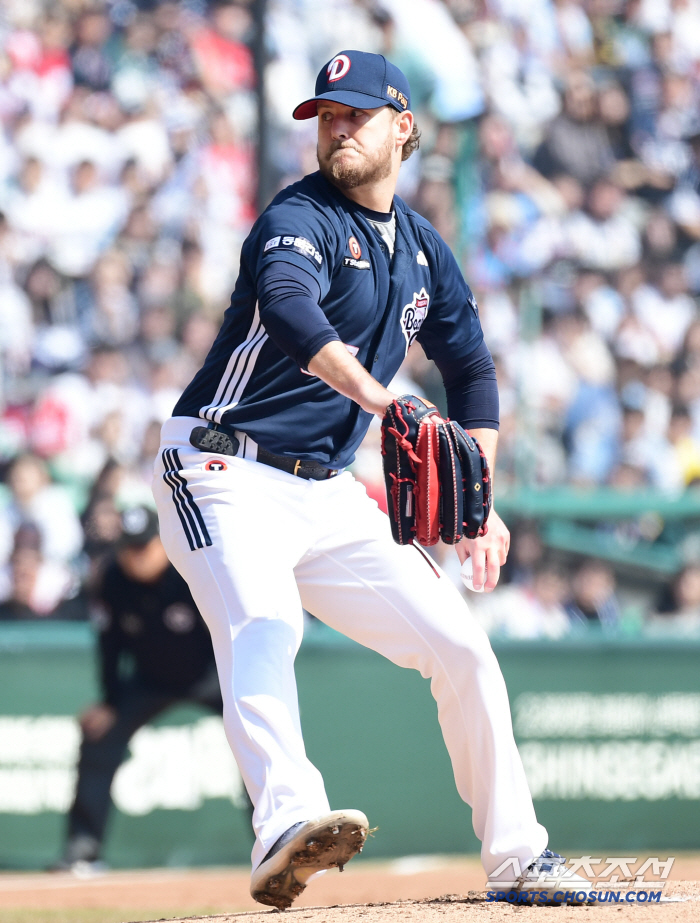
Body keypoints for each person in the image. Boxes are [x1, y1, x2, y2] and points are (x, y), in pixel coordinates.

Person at [151, 50, 592, 908]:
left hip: (322, 491)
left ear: (404, 126)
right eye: (325, 114)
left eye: (355, 112)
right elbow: (288, 311)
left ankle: (520, 858)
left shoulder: (423, 248)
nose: (338, 127)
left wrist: (479, 498)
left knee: (463, 649)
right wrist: (386, 401)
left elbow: (471, 369)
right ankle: (287, 821)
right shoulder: (296, 219)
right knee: (266, 620)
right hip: (220, 470)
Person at [54, 506, 247, 871]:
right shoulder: (113, 578)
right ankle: (83, 848)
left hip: (211, 675)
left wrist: (241, 689)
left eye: (145, 547)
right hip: (148, 681)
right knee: (99, 735)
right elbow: (109, 644)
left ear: (163, 542)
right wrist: (109, 701)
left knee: (256, 733)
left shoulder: (190, 572)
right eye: (129, 548)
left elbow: (228, 632)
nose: (136, 557)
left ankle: (277, 840)